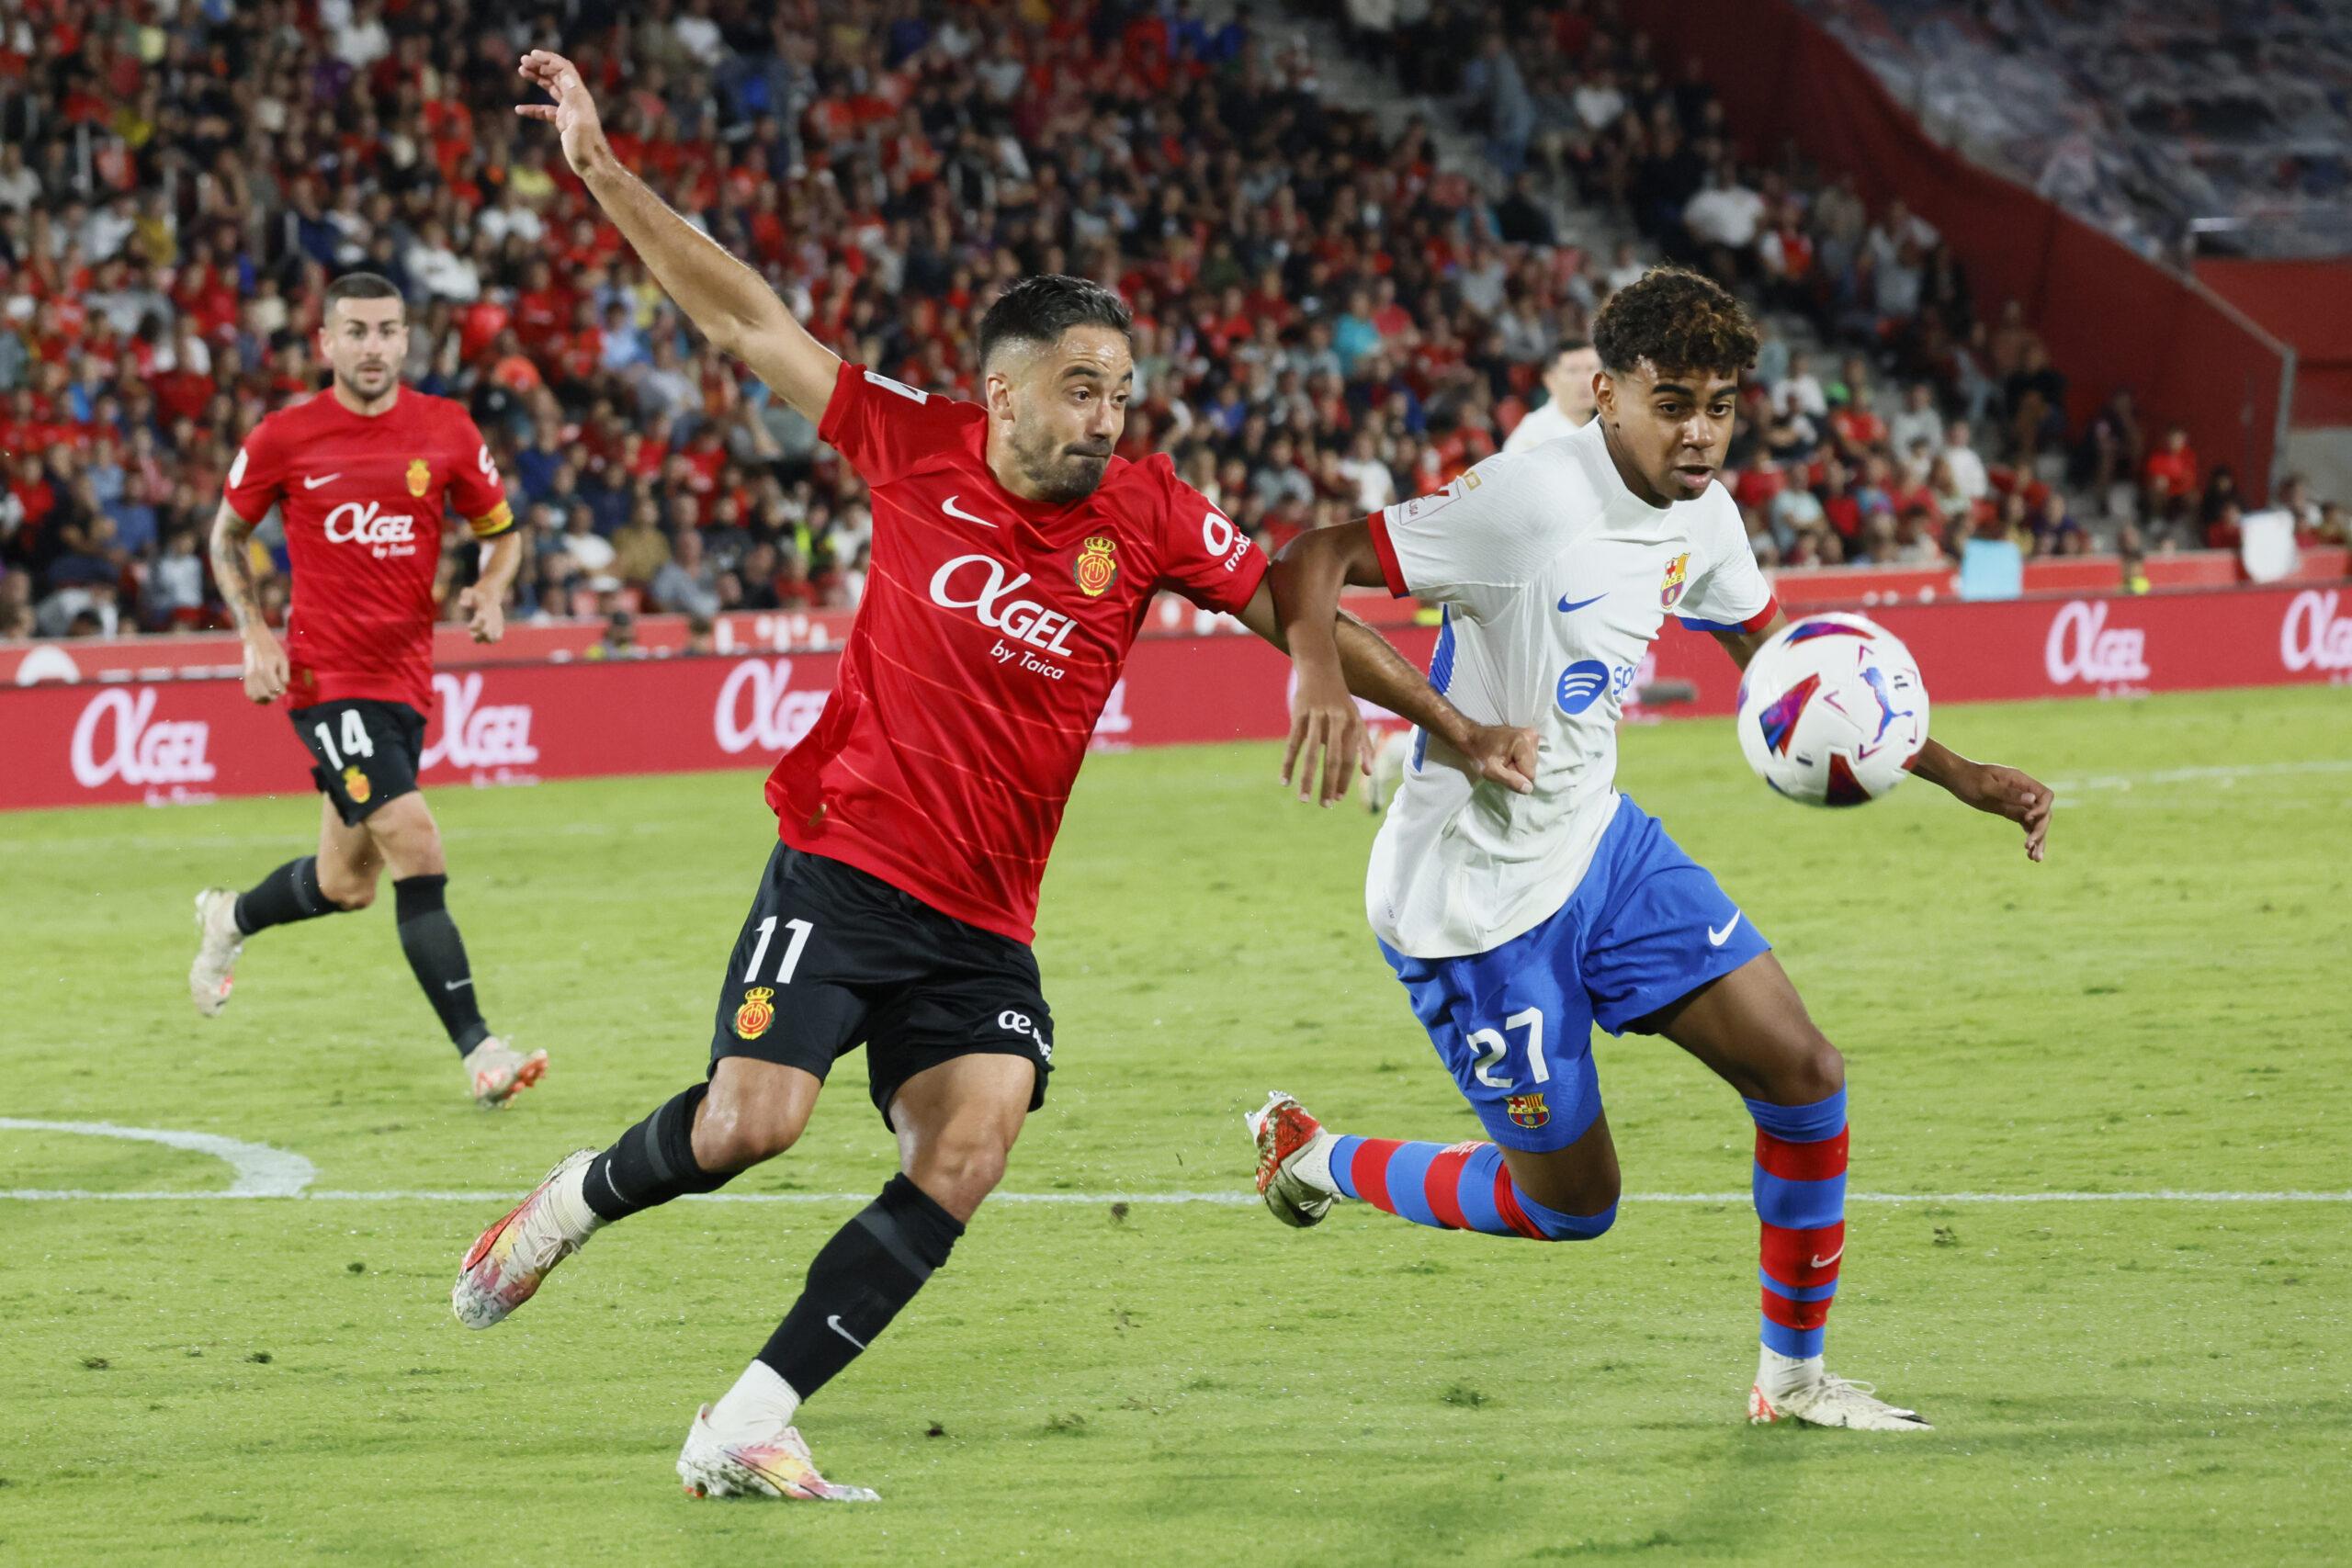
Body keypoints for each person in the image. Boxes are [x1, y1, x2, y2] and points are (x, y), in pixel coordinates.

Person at [453, 49, 1538, 1506]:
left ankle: (745, 1419)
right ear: (1000, 394)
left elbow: (1297, 601)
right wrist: (598, 168)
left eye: (1125, 390)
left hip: (984, 913)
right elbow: (743, 316)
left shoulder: (1148, 510)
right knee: (747, 1125)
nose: (1110, 414)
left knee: (971, 1142)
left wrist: (1450, 729)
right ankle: (573, 1201)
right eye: (1082, 389)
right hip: (842, 861)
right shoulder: (908, 444)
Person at [1255, 266, 2053, 1434]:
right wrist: (1319, 675)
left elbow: (1784, 665)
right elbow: (1310, 557)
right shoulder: (1527, 502)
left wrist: (1954, 772)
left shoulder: (1708, 514)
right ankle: (1313, 1158)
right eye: (1671, 401)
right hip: (1473, 905)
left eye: (1720, 405)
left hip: (1603, 848)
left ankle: (1791, 1380)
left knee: (1805, 1075)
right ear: (1605, 393)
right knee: (1573, 1210)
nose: (1698, 433)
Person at [188, 271, 537, 1107]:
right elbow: (226, 534)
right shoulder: (285, 436)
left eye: (387, 331)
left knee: (346, 881)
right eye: (356, 331)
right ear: (327, 343)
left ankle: (229, 918)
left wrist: (490, 590)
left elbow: (505, 534)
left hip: (404, 683)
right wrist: (254, 632)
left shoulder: (446, 430)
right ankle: (481, 1052)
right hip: (324, 680)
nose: (372, 346)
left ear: (406, 340)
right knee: (417, 841)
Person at [1502, 337, 1601, 454]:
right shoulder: (1531, 439)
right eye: (1573, 371)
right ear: (1550, 380)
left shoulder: (1610, 427)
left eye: (1591, 369)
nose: (1585, 380)